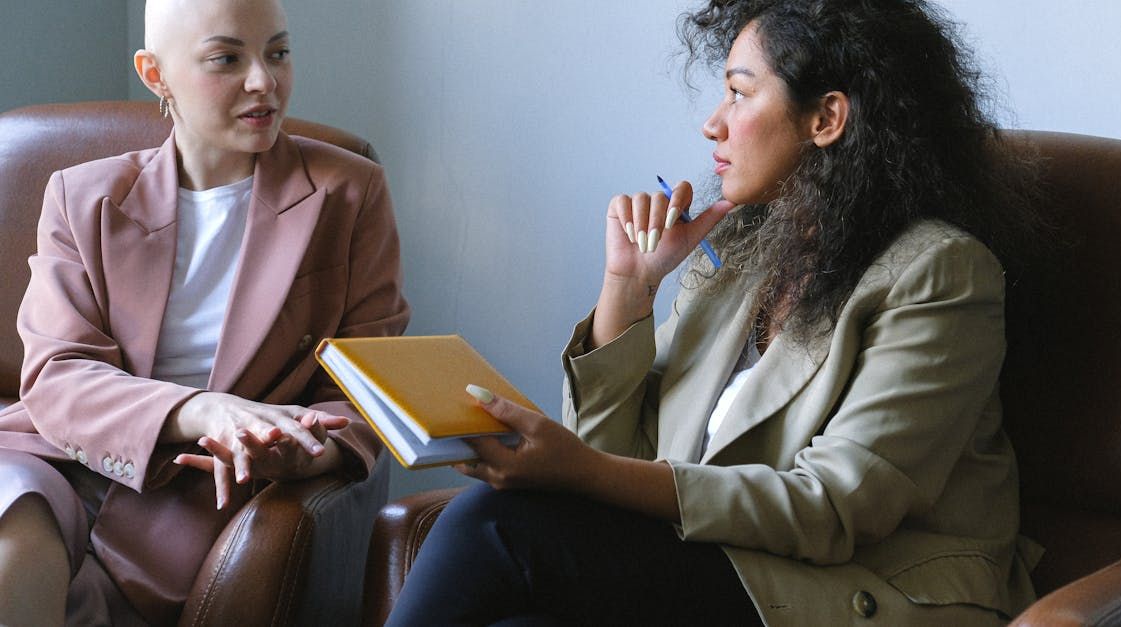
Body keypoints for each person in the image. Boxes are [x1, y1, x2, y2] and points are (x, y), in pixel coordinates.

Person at [387, 0, 1050, 625]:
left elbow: (835, 508)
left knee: (493, 524)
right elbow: (614, 464)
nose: (713, 122)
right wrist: (629, 287)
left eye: (738, 92)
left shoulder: (940, 274)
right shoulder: (739, 253)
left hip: (859, 591)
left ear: (826, 119)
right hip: (727, 568)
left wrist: (581, 471)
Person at [0, 0, 409, 624]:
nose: (262, 82)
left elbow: (366, 391)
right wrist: (198, 409)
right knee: (10, 532)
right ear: (154, 73)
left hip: (202, 492)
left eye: (277, 52)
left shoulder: (348, 193)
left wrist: (311, 452)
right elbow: (58, 374)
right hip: (55, 453)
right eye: (226, 58)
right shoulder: (82, 195)